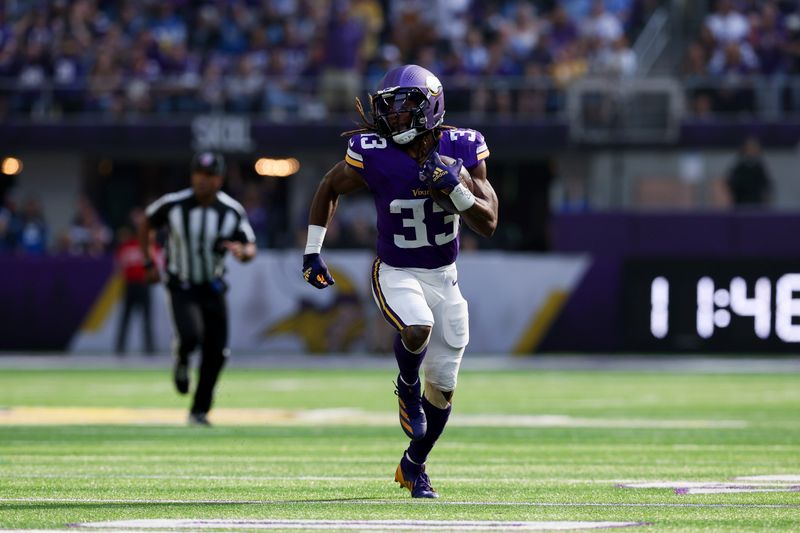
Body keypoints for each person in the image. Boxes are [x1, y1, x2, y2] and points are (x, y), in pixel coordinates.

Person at [302, 64, 499, 498]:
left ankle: (414, 465)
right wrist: (313, 249)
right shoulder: (372, 150)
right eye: (389, 109)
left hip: (445, 279)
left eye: (407, 107)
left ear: (431, 107)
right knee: (417, 326)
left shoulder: (463, 147)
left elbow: (488, 222)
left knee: (444, 390)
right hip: (396, 270)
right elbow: (329, 186)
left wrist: (458, 186)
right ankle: (406, 385)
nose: (396, 117)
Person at [139, 151, 256, 426]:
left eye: (211, 176)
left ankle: (199, 410)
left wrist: (243, 252)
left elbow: (250, 244)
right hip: (182, 283)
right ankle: (181, 359)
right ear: (192, 176)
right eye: (200, 175)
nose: (204, 181)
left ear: (220, 179)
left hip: (213, 287)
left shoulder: (231, 210)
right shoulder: (173, 205)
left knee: (217, 352)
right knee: (191, 336)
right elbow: (146, 222)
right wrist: (148, 261)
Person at [114, 214, 157, 355]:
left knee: (145, 319)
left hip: (141, 285)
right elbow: (120, 266)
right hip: (132, 285)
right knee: (127, 318)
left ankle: (149, 348)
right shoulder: (128, 246)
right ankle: (121, 348)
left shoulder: (146, 246)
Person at [726, 136, 773, 207]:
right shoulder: (739, 167)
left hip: (757, 203)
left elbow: (766, 185)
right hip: (740, 203)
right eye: (749, 148)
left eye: (754, 148)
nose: (751, 151)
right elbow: (732, 183)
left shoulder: (759, 167)